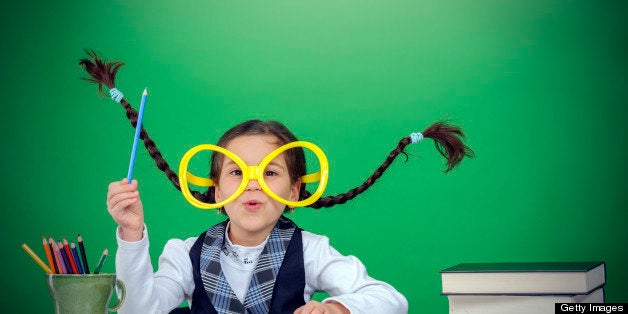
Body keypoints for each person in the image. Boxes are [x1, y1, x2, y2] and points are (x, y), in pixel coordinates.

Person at [81, 50, 473, 314]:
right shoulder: (185, 254)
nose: (253, 184)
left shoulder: (312, 251)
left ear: (295, 191)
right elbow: (138, 309)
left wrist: (337, 308)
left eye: (269, 172)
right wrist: (131, 236)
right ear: (216, 190)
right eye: (237, 171)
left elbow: (391, 300)